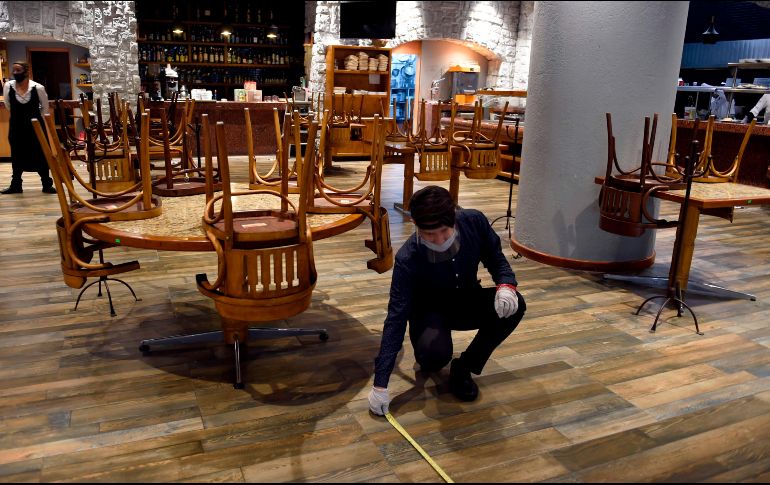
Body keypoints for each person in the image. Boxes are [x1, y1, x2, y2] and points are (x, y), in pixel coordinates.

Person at [368, 185, 526, 416]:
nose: (439, 239)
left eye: (444, 231)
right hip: (429, 311)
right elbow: (395, 319)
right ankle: (432, 348)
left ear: (454, 219)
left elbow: (496, 258)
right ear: (416, 226)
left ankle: (464, 367)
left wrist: (506, 284)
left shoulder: (474, 221)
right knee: (433, 359)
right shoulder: (407, 259)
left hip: (466, 299)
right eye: (429, 234)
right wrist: (380, 384)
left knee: (515, 305)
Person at [1, 60, 55, 194]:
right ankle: (16, 185)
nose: (15, 73)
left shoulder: (38, 88)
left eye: (18, 70)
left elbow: (45, 108)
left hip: (35, 126)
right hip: (16, 126)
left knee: (41, 153)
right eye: (13, 70)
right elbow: (8, 104)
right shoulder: (8, 86)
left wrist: (35, 118)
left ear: (26, 72)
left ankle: (46, 184)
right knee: (17, 154)